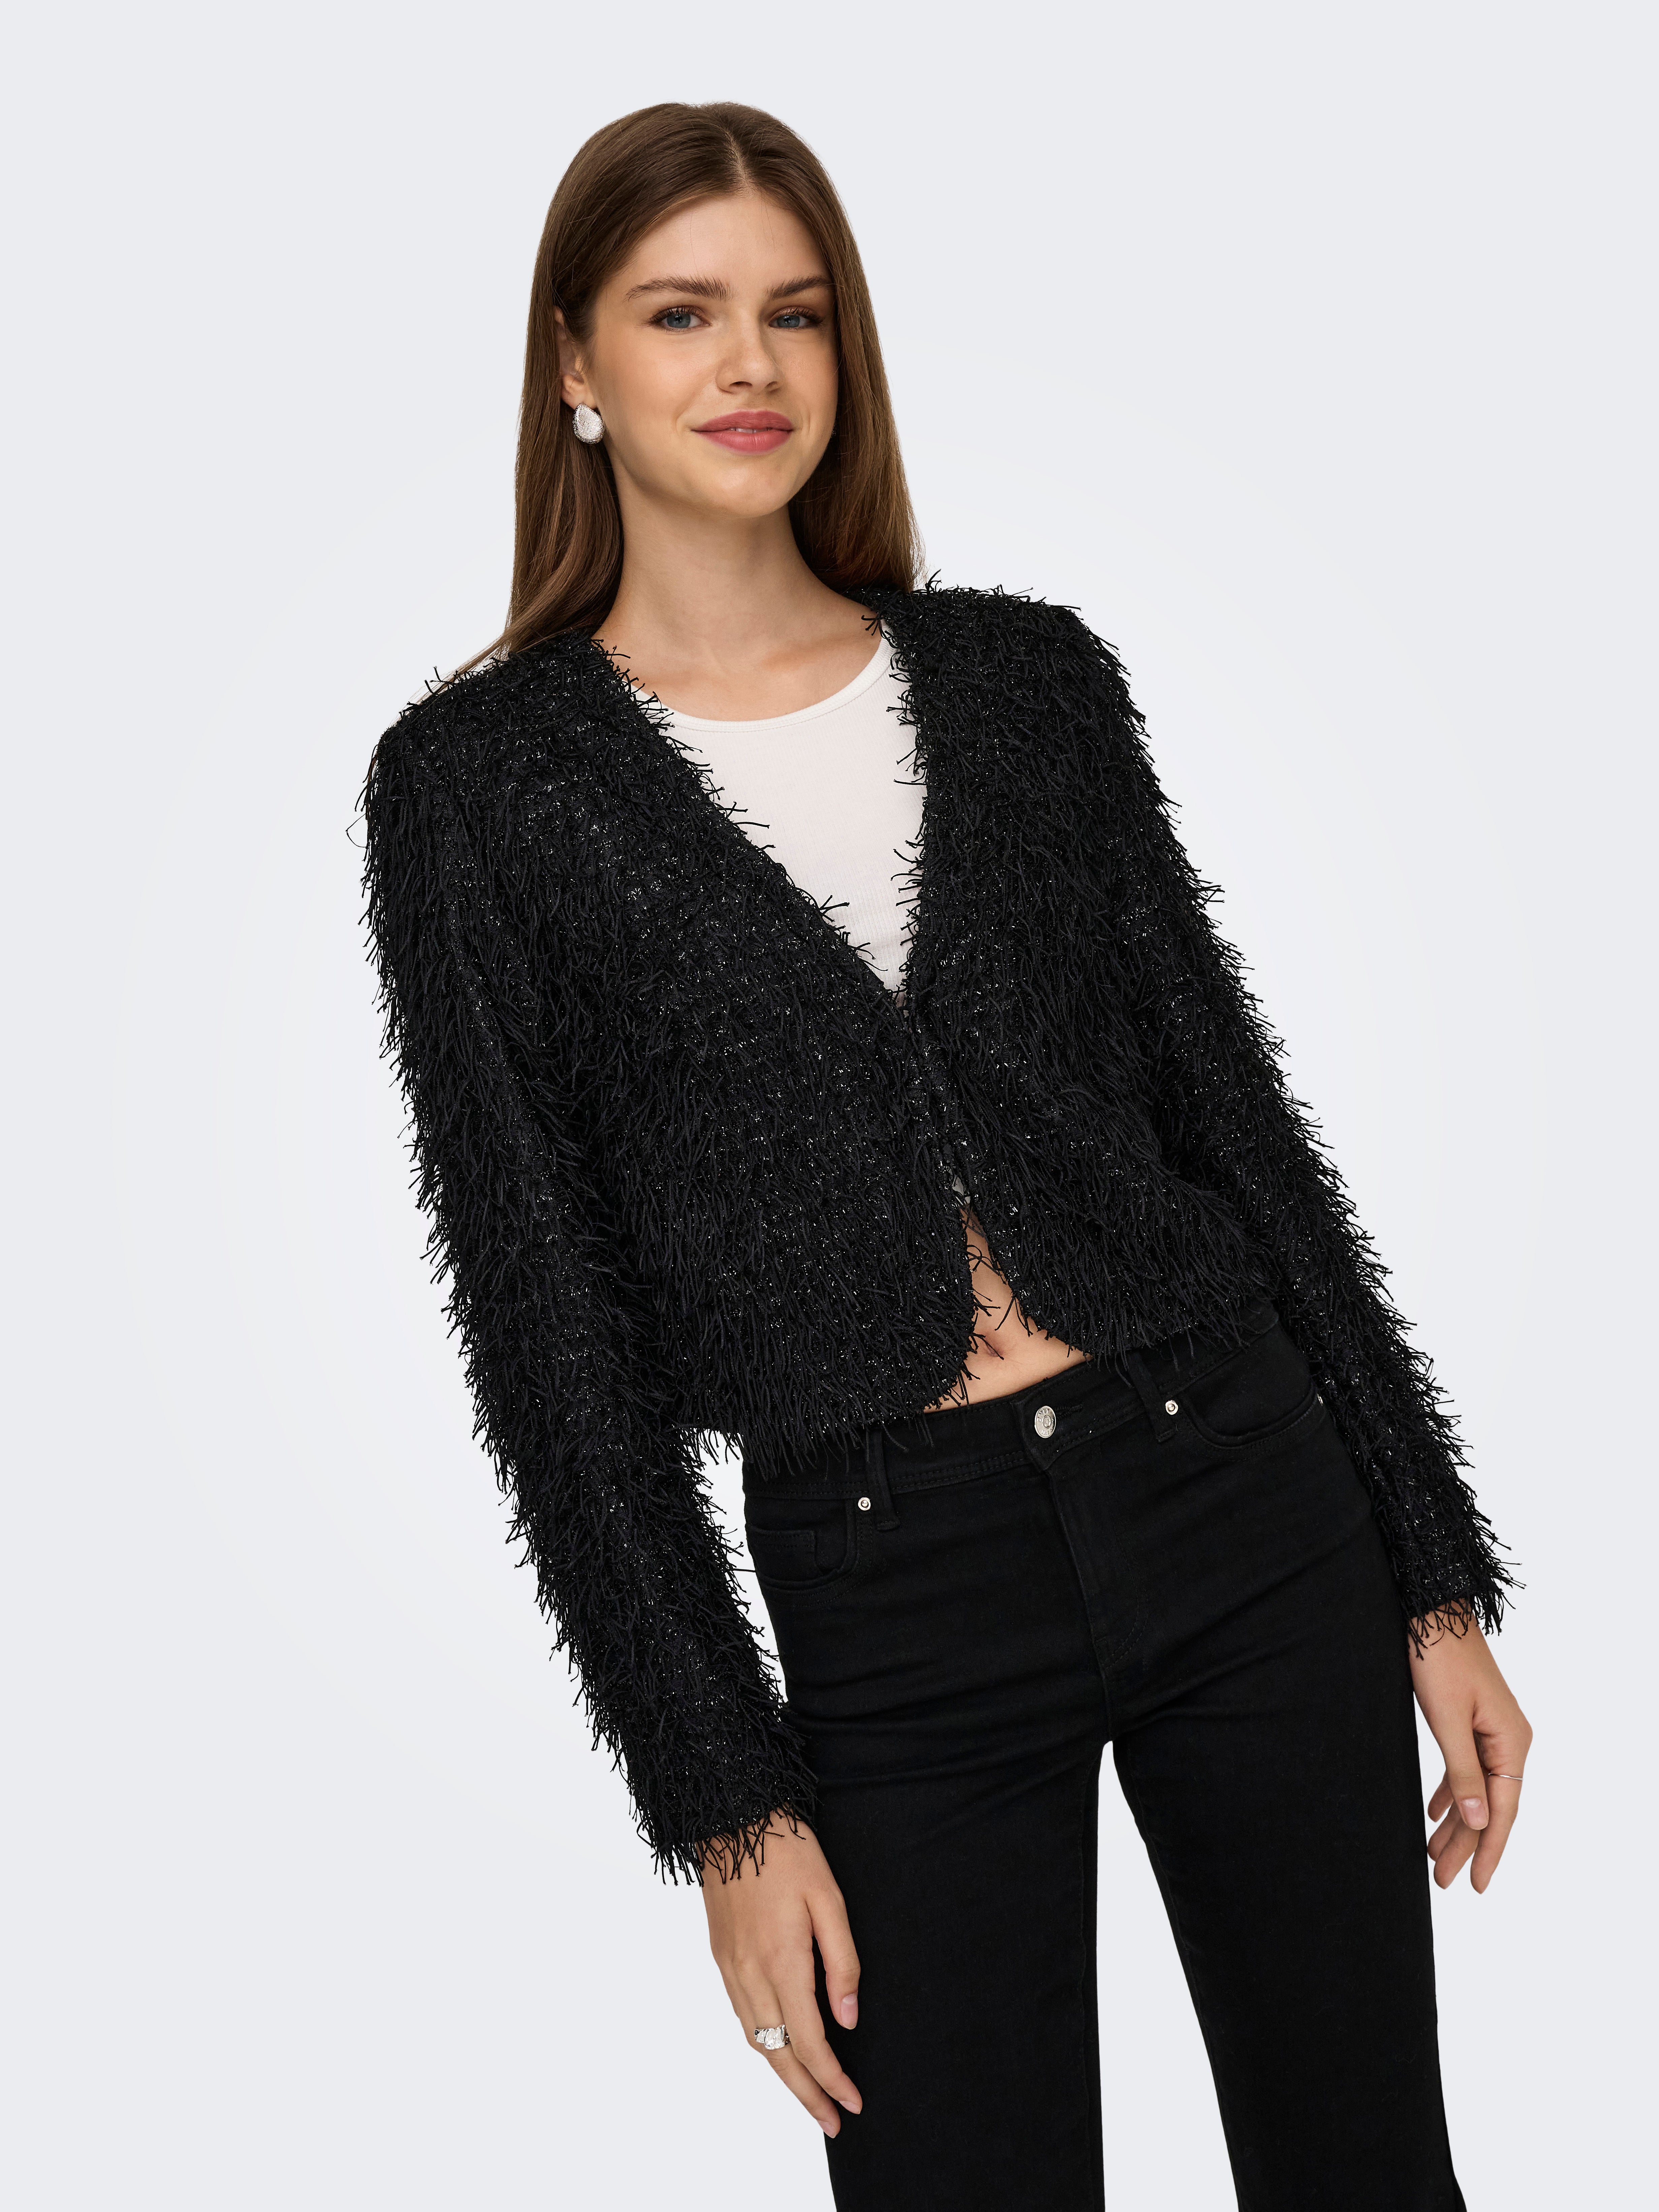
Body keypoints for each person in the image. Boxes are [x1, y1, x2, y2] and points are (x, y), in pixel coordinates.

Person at [362, 100, 1529, 2211]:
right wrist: (726, 1809)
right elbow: (548, 1331)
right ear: (574, 361)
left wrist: (1433, 1573)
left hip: (1239, 1489)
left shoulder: (1025, 684)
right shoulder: (478, 787)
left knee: (1369, 2172)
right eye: (682, 313)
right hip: (894, 1582)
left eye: (796, 312)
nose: (750, 364)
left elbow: (1236, 1123)